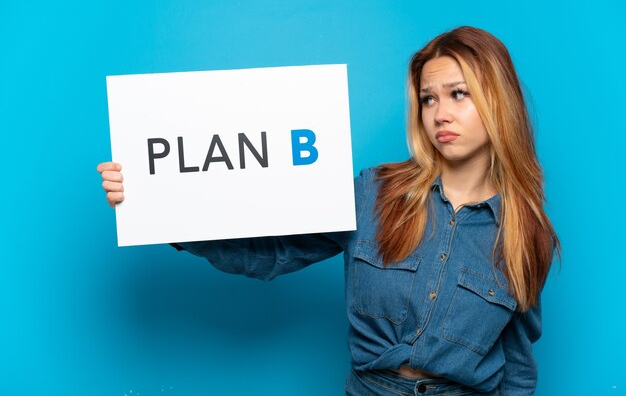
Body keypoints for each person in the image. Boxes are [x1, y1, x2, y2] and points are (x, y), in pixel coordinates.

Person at [97, 26, 560, 395]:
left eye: (459, 94)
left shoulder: (527, 232)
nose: (439, 113)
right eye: (428, 98)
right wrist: (159, 203)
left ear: (497, 100)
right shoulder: (373, 193)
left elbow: (517, 368)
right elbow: (272, 253)